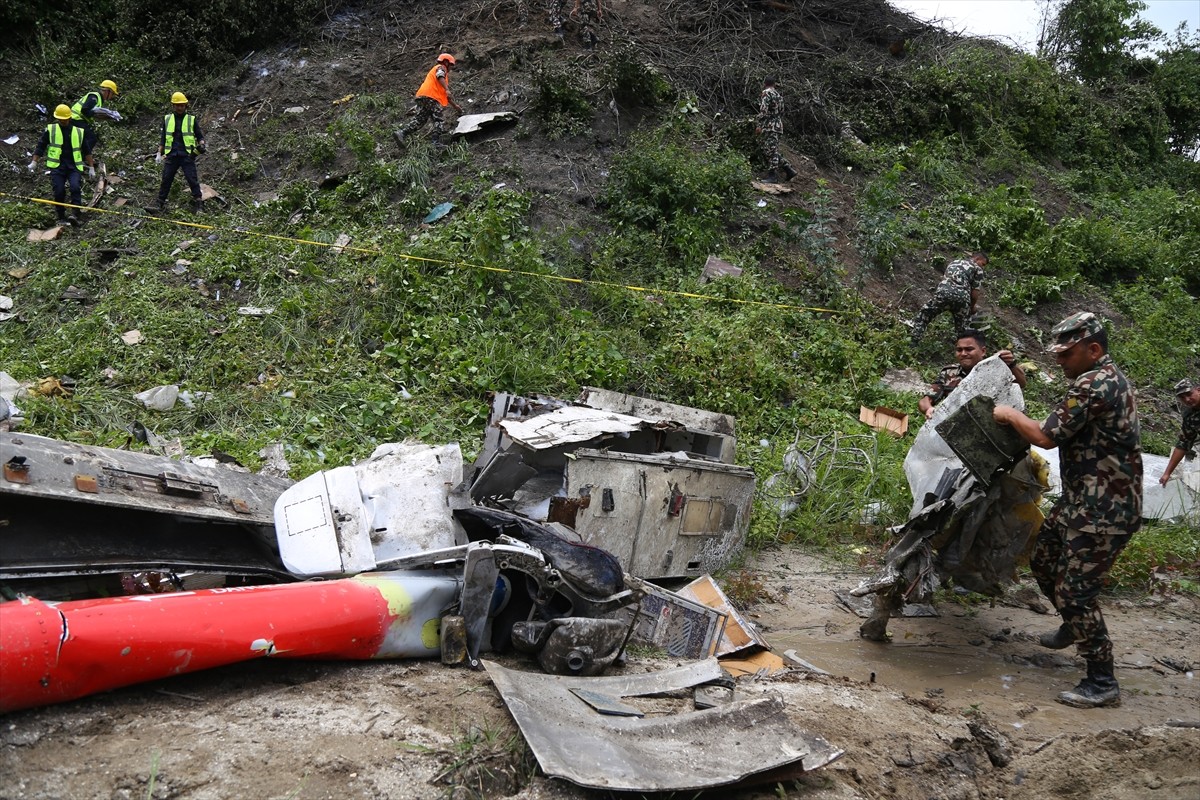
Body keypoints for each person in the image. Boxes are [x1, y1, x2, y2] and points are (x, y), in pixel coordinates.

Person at [993, 311, 1142, 709]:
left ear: (1093, 350)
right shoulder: (1098, 378)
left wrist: (1009, 414)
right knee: (1044, 559)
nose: (1059, 361)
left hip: (1104, 509)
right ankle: (1073, 626)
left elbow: (1046, 436)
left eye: (1066, 353)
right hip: (1082, 501)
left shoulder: (1096, 384)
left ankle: (1102, 680)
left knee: (1076, 594)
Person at [919, 330, 1026, 419]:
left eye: (969, 349)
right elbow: (925, 400)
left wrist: (1012, 364)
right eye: (959, 350)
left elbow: (1021, 383)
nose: (963, 354)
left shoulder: (996, 370)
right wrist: (929, 408)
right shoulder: (949, 372)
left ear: (983, 351)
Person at [30, 104, 95, 225]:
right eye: (60, 119)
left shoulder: (78, 132)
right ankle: (61, 217)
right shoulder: (51, 130)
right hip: (57, 166)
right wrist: (34, 161)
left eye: (64, 119)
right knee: (59, 191)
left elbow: (87, 150)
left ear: (69, 118)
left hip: (74, 166)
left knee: (75, 187)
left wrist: (91, 167)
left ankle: (75, 215)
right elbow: (41, 146)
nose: (63, 121)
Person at [911, 252, 988, 343]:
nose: (982, 267)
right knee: (963, 330)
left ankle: (914, 341)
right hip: (962, 298)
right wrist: (971, 307)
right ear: (977, 259)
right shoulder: (977, 269)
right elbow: (974, 294)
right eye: (983, 264)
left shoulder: (954, 262)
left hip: (943, 293)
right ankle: (962, 347)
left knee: (925, 314)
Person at [151, 92, 206, 213]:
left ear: (186, 106)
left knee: (192, 179)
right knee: (166, 179)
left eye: (182, 105)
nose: (179, 108)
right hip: (172, 154)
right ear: (173, 106)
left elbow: (199, 136)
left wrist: (202, 144)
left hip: (187, 155)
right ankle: (159, 204)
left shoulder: (191, 119)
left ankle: (199, 205)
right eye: (177, 105)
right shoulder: (167, 119)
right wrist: (159, 153)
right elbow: (163, 138)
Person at [394, 54, 462, 147]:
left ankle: (402, 133)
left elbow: (445, 96)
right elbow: (440, 75)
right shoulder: (441, 68)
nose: (451, 68)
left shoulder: (440, 79)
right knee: (439, 119)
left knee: (420, 120)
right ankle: (435, 142)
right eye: (451, 65)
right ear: (446, 62)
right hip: (431, 97)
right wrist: (447, 89)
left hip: (423, 96)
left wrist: (455, 106)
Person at [755, 76, 796, 183]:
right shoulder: (778, 95)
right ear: (774, 84)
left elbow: (763, 110)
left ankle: (772, 176)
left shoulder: (766, 93)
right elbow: (782, 111)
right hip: (778, 125)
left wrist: (759, 124)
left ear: (765, 83)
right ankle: (788, 169)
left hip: (769, 126)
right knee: (771, 149)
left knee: (770, 151)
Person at [1159, 379, 1200, 486]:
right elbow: (1183, 444)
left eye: (1189, 394)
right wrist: (1167, 473)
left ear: (1198, 390)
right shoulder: (1190, 416)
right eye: (1182, 397)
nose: (1187, 399)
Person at [71, 79, 121, 153]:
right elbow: (85, 110)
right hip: (76, 118)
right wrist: (95, 112)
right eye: (112, 94)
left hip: (78, 119)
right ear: (108, 91)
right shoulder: (94, 97)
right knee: (91, 138)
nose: (112, 96)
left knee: (85, 139)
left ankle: (80, 155)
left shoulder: (99, 99)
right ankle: (82, 156)